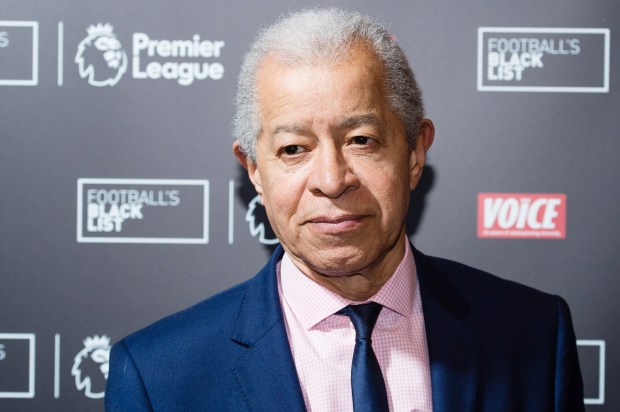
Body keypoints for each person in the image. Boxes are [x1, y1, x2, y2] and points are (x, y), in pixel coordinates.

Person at [105, 8, 584, 412]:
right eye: (294, 149)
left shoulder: (534, 336)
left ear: (415, 153)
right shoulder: (157, 378)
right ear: (253, 170)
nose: (332, 180)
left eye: (362, 140)